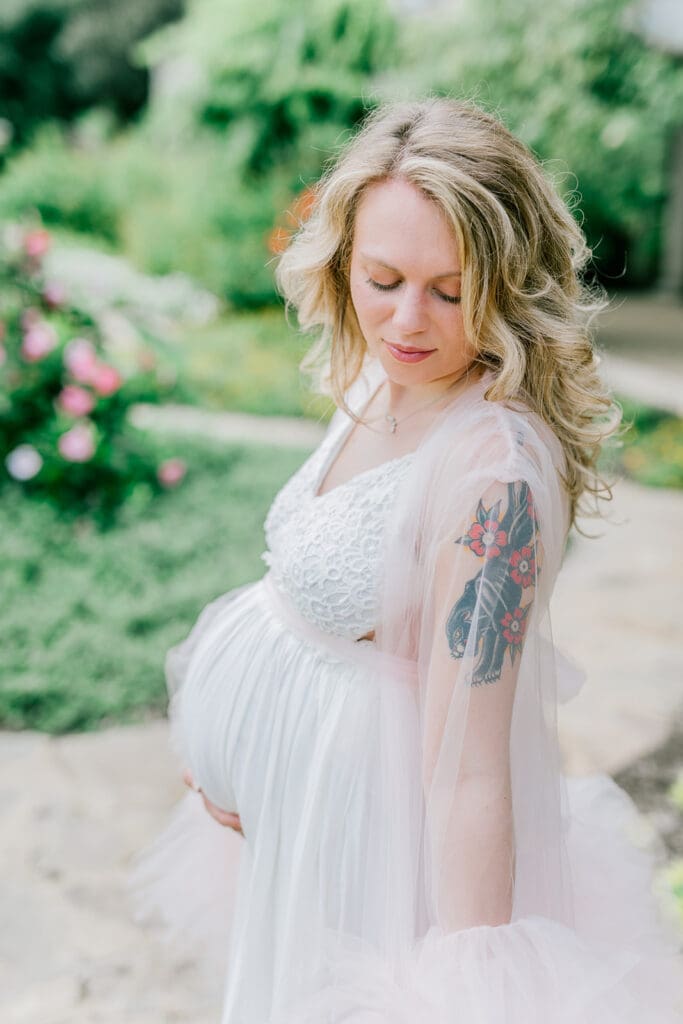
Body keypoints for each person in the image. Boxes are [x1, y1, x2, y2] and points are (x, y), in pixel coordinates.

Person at [128, 97, 683, 1022]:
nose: (406, 321)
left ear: (507, 285)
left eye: (450, 290)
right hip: (293, 829)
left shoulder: (489, 480)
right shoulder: (384, 378)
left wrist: (471, 982)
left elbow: (469, 767)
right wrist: (226, 742)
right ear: (342, 256)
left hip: (361, 856)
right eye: (381, 277)